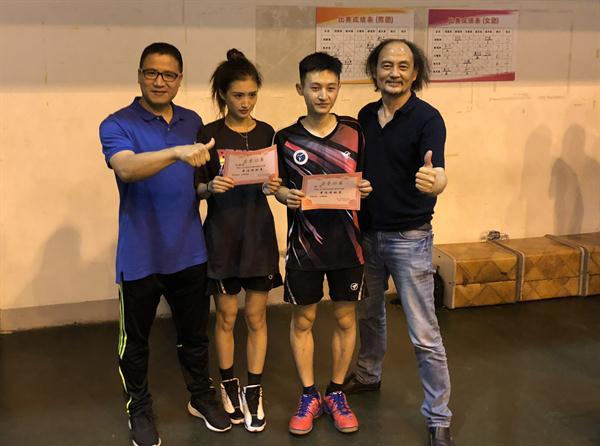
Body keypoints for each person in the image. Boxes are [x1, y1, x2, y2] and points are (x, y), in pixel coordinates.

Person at [99, 42, 231, 446]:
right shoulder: (117, 123)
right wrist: (174, 152)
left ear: (179, 79)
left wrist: (211, 187)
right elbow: (126, 167)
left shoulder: (193, 121)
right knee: (135, 343)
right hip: (139, 255)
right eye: (151, 73)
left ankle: (200, 397)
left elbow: (197, 181)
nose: (160, 81)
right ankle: (138, 409)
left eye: (169, 75)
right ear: (140, 75)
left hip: (189, 251)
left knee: (195, 336)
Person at [342, 39, 455, 446]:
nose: (395, 72)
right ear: (375, 71)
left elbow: (437, 171)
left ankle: (439, 417)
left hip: (410, 238)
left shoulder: (428, 119)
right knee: (369, 315)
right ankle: (368, 374)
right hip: (367, 234)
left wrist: (436, 181)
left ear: (415, 72)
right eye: (387, 65)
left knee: (424, 332)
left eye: (403, 66)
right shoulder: (364, 117)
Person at [274, 52, 372, 436]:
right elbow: (276, 185)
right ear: (300, 88)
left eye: (331, 87)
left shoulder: (355, 132)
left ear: (338, 88)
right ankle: (308, 395)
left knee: (346, 318)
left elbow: (365, 178)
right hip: (304, 248)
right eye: (315, 87)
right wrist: (282, 195)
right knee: (304, 320)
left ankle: (336, 393)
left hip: (348, 246)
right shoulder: (285, 138)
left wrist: (366, 188)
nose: (323, 95)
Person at [194, 48, 282, 433]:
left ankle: (254, 390)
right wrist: (209, 187)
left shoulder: (267, 132)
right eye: (237, 95)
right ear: (223, 96)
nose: (245, 103)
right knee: (227, 317)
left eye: (251, 95)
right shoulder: (208, 135)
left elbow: (275, 183)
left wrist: (275, 187)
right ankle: (228, 384)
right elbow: (196, 188)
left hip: (259, 235)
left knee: (257, 316)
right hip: (223, 236)